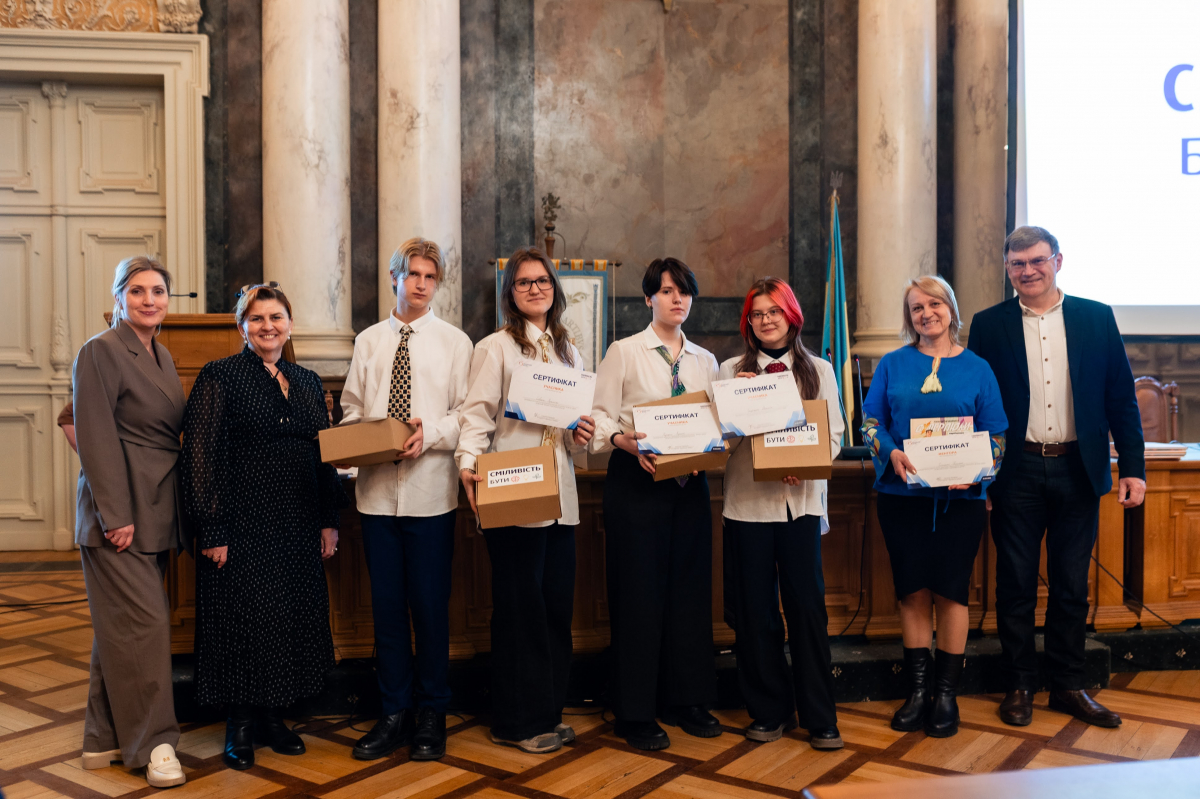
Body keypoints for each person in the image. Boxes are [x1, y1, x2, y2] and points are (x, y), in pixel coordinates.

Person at [968, 226, 1145, 729]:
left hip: (1077, 467)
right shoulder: (989, 324)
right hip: (1015, 470)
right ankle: (1020, 683)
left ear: (1058, 261)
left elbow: (1121, 398)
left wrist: (1132, 467)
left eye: (1037, 261)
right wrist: (980, 476)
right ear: (1008, 269)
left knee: (1071, 585)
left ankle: (1069, 684)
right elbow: (978, 408)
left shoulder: (1095, 317)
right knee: (1016, 583)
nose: (1028, 271)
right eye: (1018, 264)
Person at [180, 283, 346, 771]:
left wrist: (329, 521)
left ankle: (276, 718)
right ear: (241, 327)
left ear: (289, 325)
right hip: (242, 522)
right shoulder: (220, 376)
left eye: (275, 318)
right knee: (243, 620)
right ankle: (241, 725)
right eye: (257, 319)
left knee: (287, 619)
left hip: (297, 521)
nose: (267, 326)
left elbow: (325, 457)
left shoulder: (309, 380)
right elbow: (200, 458)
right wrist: (212, 529)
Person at [456, 247, 596, 755]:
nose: (535, 289)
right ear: (510, 293)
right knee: (519, 610)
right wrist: (467, 468)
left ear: (554, 289)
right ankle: (515, 722)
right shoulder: (495, 347)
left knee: (555, 607)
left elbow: (577, 429)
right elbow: (476, 415)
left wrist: (583, 433)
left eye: (542, 281)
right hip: (511, 485)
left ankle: (549, 711)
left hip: (559, 493)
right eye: (523, 283)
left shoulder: (570, 352)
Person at [341, 238, 473, 761]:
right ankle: (392, 713)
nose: (420, 284)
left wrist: (431, 432)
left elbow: (468, 413)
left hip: (431, 496)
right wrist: (364, 440)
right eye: (412, 274)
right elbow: (352, 409)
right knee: (388, 609)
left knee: (429, 608)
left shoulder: (455, 343)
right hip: (375, 498)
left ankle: (431, 714)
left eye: (430, 277)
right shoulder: (369, 341)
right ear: (395, 277)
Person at [861, 275, 1007, 738]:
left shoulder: (979, 368)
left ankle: (947, 694)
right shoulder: (891, 363)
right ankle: (918, 692)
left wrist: (981, 473)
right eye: (916, 308)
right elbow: (870, 422)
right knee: (912, 592)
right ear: (910, 318)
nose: (926, 313)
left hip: (960, 500)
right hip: (902, 499)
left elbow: (998, 436)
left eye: (934, 304)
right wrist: (889, 452)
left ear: (951, 309)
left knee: (952, 592)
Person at [589, 257, 721, 751]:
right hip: (637, 483)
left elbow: (713, 421)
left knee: (689, 594)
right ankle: (635, 711)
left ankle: (686, 700)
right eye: (666, 291)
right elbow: (599, 419)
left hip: (689, 486)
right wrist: (626, 442)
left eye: (683, 291)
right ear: (648, 299)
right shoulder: (624, 352)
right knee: (638, 596)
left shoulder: (705, 361)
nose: (676, 299)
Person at [71, 255, 186, 789]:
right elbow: (92, 434)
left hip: (156, 506)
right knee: (146, 628)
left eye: (157, 291)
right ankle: (156, 744)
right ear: (118, 298)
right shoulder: (100, 350)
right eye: (136, 291)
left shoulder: (160, 353)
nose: (148, 300)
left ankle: (105, 738)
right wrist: (114, 514)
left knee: (121, 630)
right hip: (119, 514)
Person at [719, 278, 845, 749]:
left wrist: (804, 464)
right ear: (748, 322)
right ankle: (769, 711)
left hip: (801, 507)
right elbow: (721, 443)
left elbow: (831, 437)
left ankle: (820, 717)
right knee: (755, 615)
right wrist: (737, 403)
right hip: (748, 506)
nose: (766, 319)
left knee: (807, 610)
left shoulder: (821, 370)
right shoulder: (731, 369)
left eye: (774, 311)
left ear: (791, 314)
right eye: (757, 313)